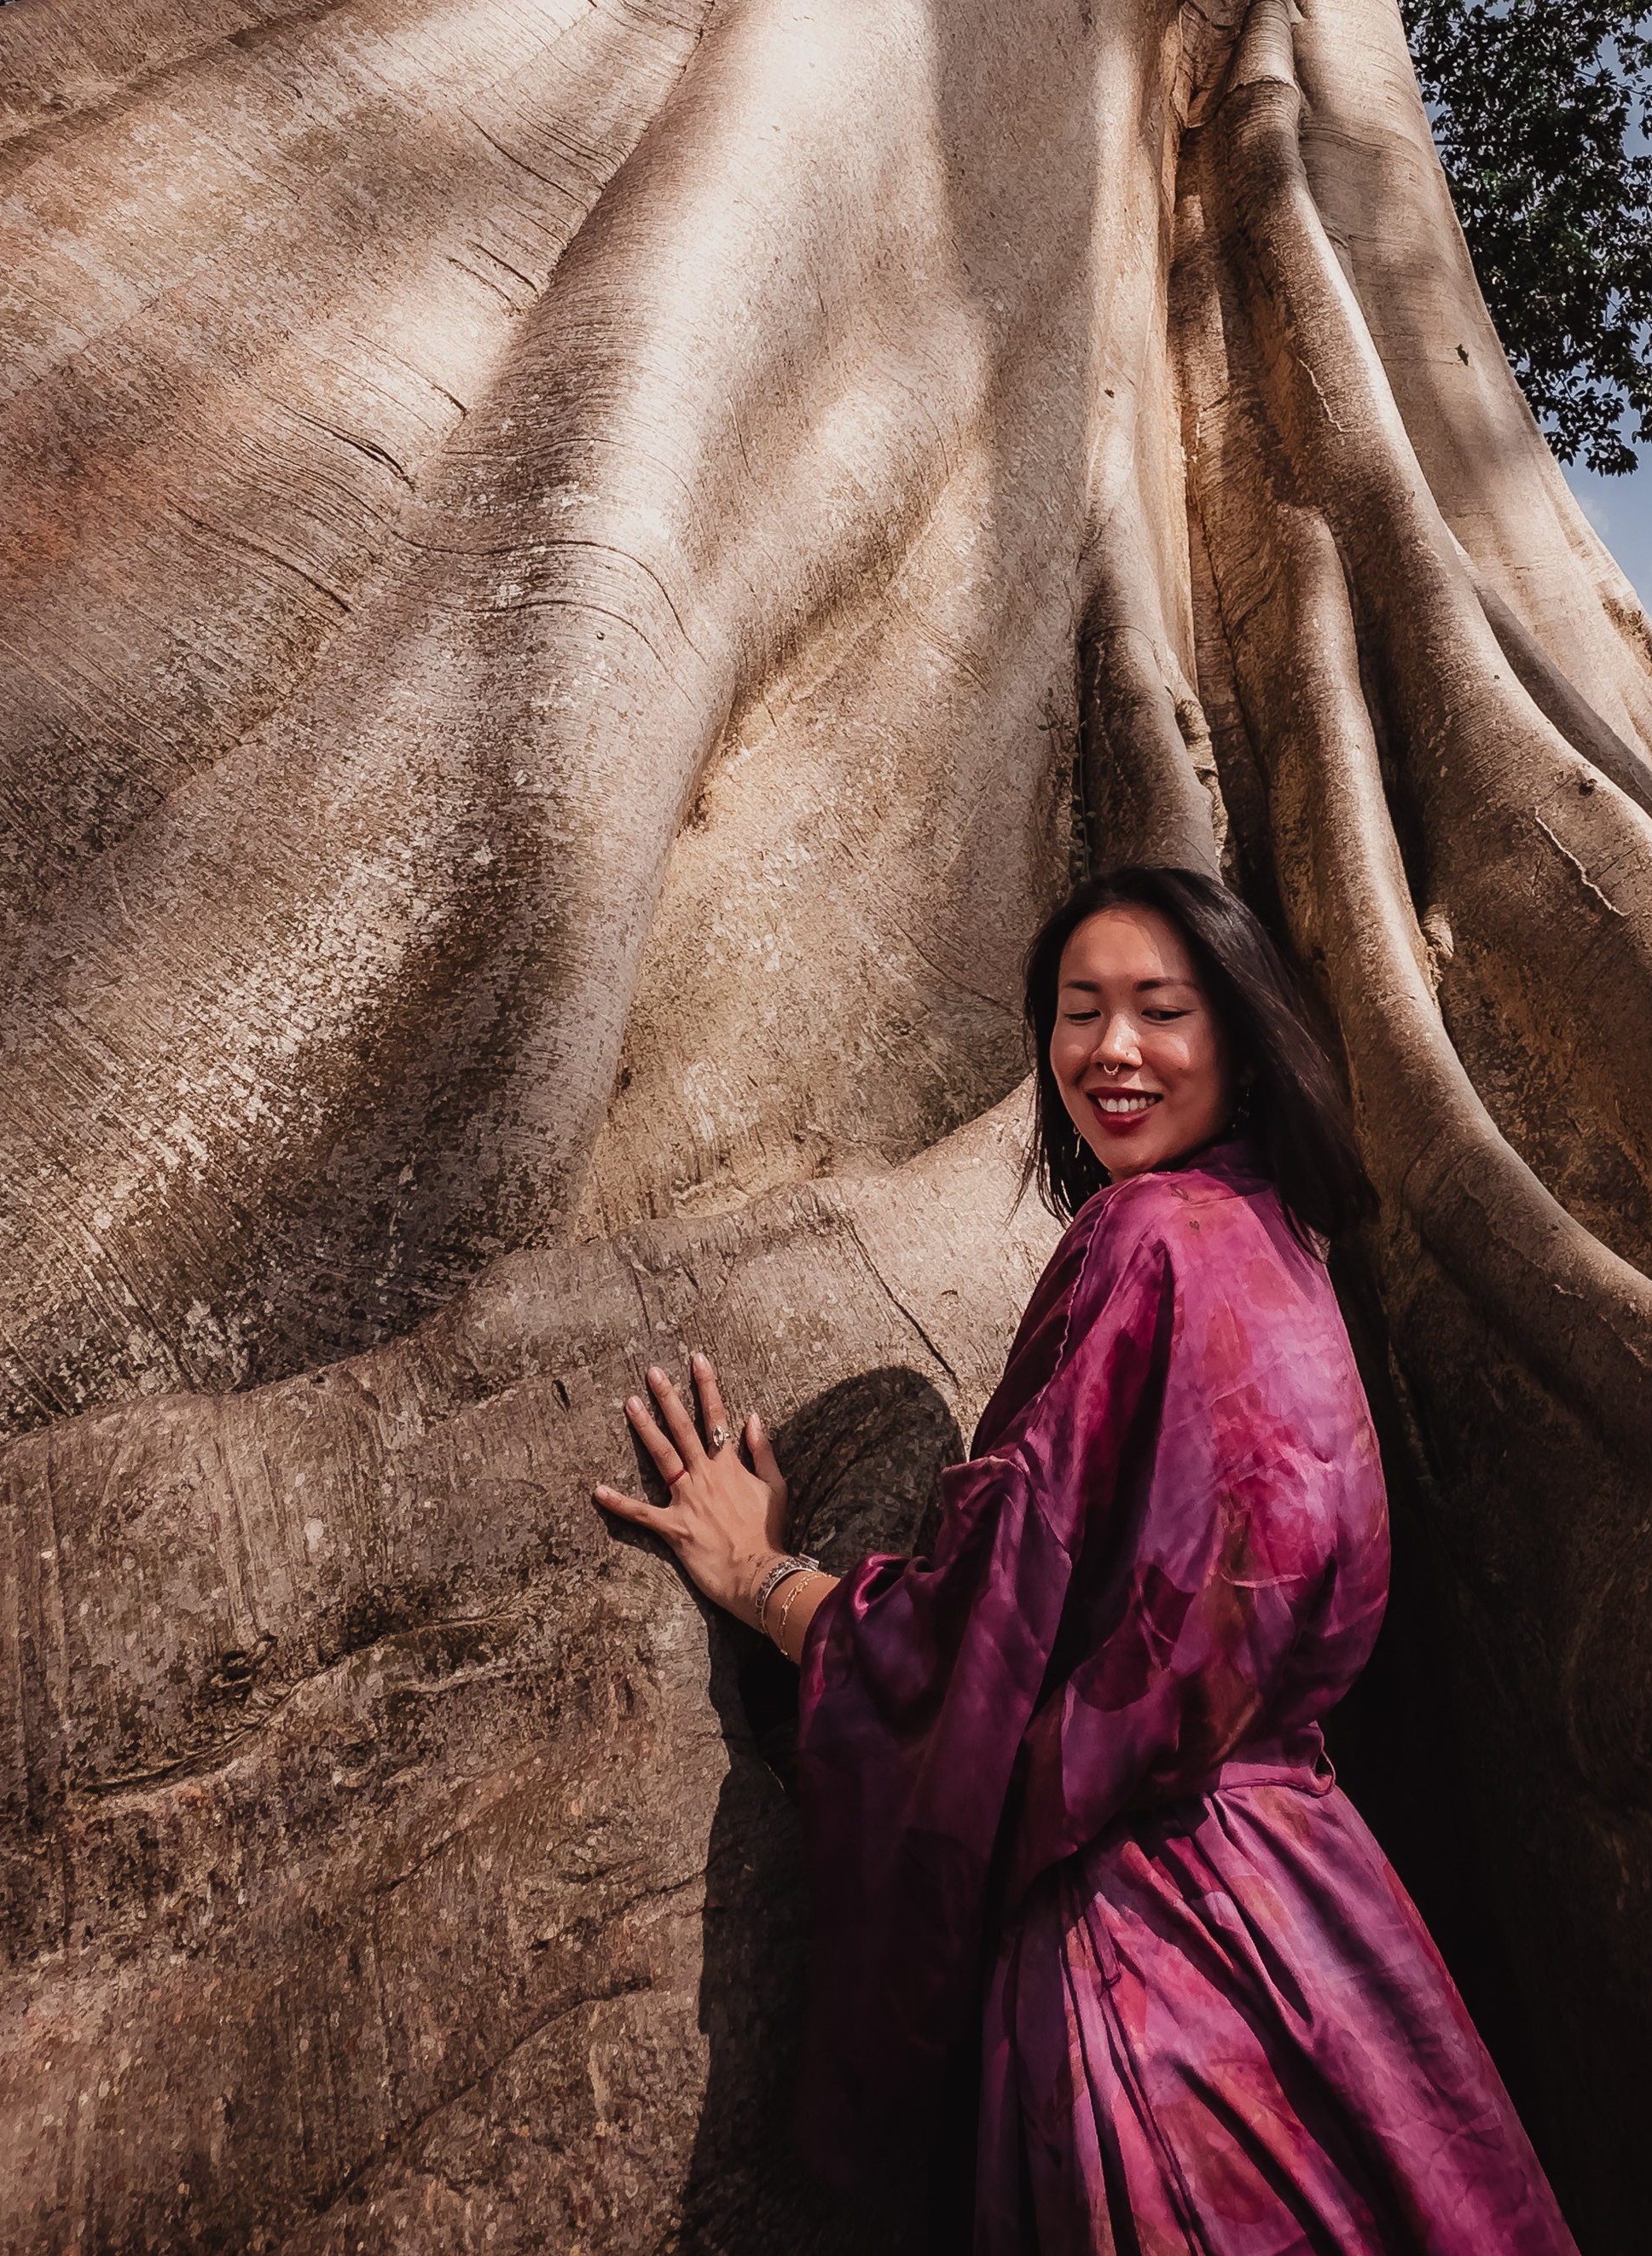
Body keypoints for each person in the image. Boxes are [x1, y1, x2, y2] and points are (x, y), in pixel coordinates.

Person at [594, 864, 1578, 2255]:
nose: (1110, 1052)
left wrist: (764, 1579)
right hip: (1321, 1921)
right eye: (1078, 1012)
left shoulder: (1148, 1240)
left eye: (1159, 1011)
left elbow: (968, 1645)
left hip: (1151, 1958)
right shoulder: (1277, 1250)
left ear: (1238, 1036)